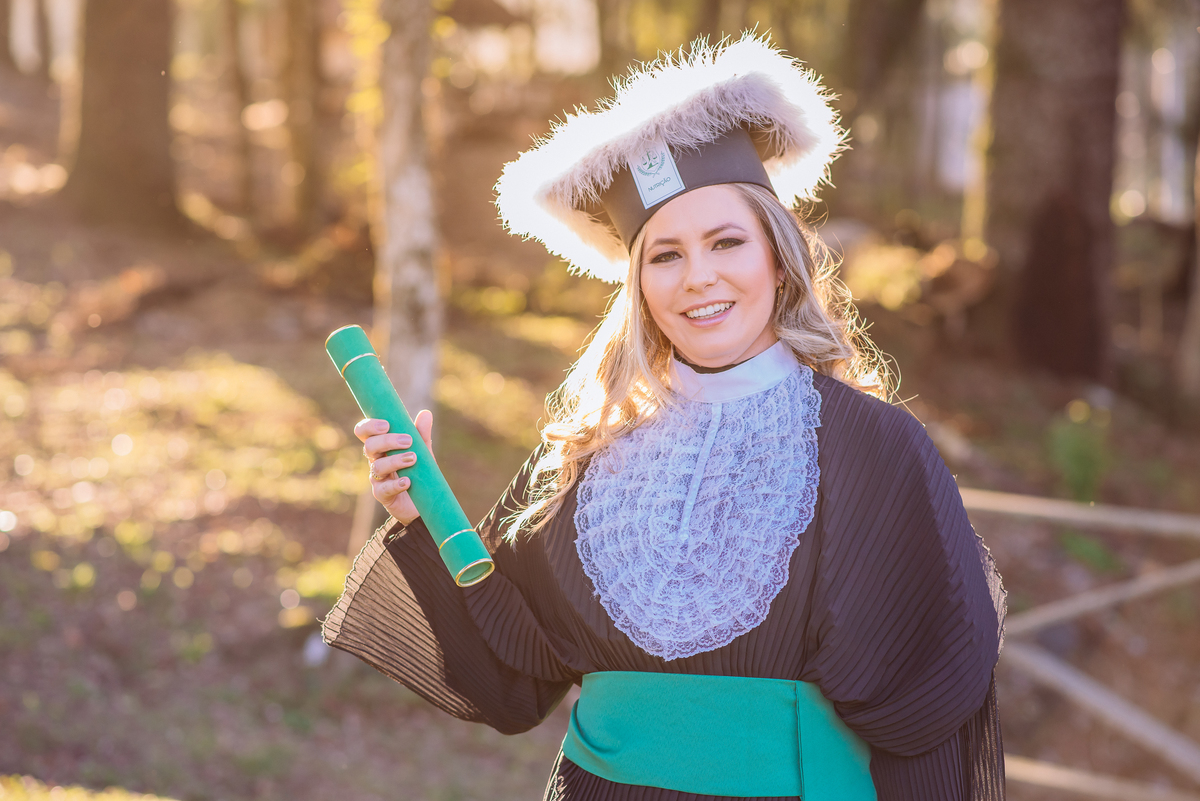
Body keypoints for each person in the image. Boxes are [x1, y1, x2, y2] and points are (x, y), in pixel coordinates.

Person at [324, 34, 1006, 800]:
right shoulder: (586, 452)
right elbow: (510, 679)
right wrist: (416, 514)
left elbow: (930, 710)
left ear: (778, 258)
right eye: (665, 255)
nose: (698, 277)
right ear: (638, 286)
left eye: (726, 242)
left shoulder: (875, 446)